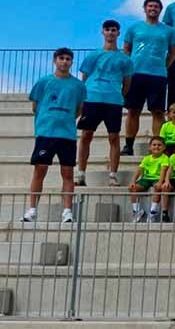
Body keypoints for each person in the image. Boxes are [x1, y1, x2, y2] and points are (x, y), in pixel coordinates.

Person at [24, 48, 87, 223]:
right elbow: (35, 106)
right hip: (46, 133)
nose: (64, 61)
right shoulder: (44, 81)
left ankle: (67, 211)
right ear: (55, 60)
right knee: (40, 171)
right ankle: (32, 210)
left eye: (68, 59)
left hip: (67, 135)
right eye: (61, 58)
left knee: (67, 173)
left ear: (71, 62)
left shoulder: (78, 86)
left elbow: (79, 109)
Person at [78, 20, 133, 187]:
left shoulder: (124, 58)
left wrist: (118, 95)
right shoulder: (93, 55)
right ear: (103, 32)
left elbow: (127, 81)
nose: (110, 33)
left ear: (118, 33)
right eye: (108, 30)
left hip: (113, 101)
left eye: (114, 30)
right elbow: (85, 77)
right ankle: (81, 173)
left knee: (114, 137)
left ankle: (113, 175)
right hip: (92, 99)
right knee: (86, 135)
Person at [122, 0, 175, 155]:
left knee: (158, 111)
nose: (153, 9)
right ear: (145, 9)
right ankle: (128, 145)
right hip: (136, 74)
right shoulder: (134, 28)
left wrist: (163, 66)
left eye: (156, 7)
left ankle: (157, 146)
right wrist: (131, 64)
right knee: (133, 110)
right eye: (150, 6)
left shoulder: (168, 30)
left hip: (158, 76)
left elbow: (173, 52)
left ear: (160, 10)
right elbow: (126, 48)